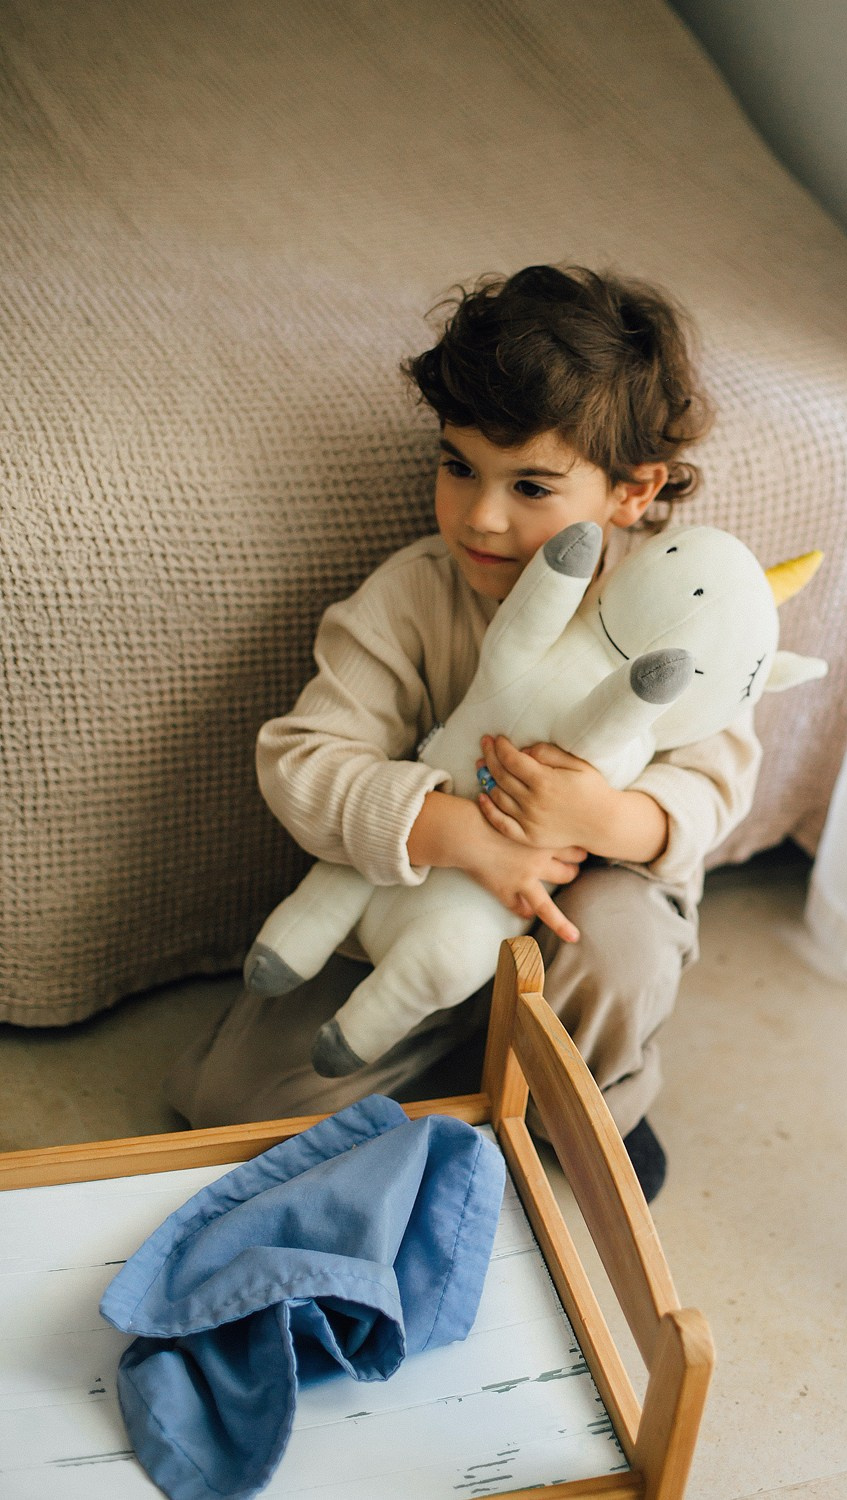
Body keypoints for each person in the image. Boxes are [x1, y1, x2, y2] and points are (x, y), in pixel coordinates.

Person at [165, 265, 761, 1201]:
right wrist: (458, 834)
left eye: (530, 485)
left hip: (571, 931)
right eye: (459, 468)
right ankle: (451, 1080)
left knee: (622, 948)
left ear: (631, 492)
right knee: (230, 1105)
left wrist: (603, 817)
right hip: (413, 912)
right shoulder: (412, 595)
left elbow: (716, 781)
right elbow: (303, 759)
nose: (481, 517)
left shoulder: (682, 612)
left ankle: (590, 1097)